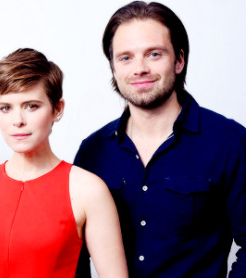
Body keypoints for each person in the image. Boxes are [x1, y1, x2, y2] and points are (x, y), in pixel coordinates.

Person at [74, 1, 246, 277]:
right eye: (126, 57)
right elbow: (75, 254)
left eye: (154, 54)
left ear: (179, 61)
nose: (139, 68)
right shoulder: (93, 151)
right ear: (114, 68)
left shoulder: (230, 141)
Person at [0, 48, 128, 278]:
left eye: (31, 106)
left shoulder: (88, 190)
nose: (18, 121)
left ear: (57, 109)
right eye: (6, 107)